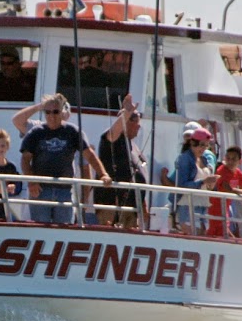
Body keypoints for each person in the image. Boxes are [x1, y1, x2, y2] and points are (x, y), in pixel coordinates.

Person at [20, 93, 112, 224]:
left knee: (64, 228)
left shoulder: (73, 131)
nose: (51, 116)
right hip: (40, 190)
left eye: (56, 112)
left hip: (65, 191)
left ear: (62, 111)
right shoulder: (35, 132)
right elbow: (25, 159)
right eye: (48, 112)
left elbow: (89, 155)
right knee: (40, 228)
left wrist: (103, 174)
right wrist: (31, 182)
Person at [96, 94, 147, 228]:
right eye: (137, 125)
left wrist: (143, 208)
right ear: (127, 122)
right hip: (112, 205)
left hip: (132, 207)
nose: (139, 128)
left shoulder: (134, 146)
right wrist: (127, 113)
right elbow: (114, 131)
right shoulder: (111, 140)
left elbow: (139, 176)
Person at [171, 127, 217, 235]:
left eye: (206, 146)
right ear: (192, 142)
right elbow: (182, 185)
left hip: (203, 204)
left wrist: (211, 183)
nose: (203, 149)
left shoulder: (204, 159)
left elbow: (207, 184)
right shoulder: (185, 159)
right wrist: (203, 181)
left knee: (202, 234)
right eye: (201, 145)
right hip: (188, 205)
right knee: (192, 234)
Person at [207, 146, 242, 238]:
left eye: (234, 159)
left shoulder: (238, 173)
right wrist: (241, 192)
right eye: (228, 158)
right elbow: (229, 189)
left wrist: (238, 191)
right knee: (217, 235)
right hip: (214, 208)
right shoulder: (222, 171)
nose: (230, 162)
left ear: (240, 161)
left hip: (225, 209)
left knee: (224, 235)